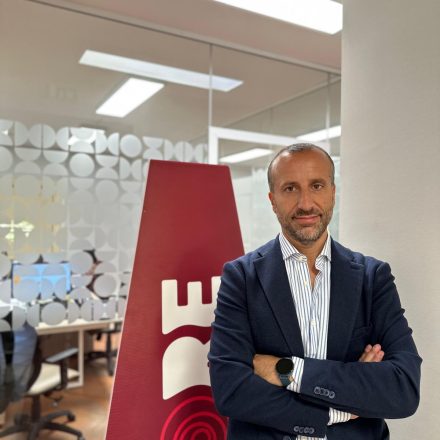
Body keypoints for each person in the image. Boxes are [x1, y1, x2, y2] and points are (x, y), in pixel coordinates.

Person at [208, 144, 421, 440]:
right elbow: (231, 390)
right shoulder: (241, 278)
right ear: (273, 200)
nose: (305, 203)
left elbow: (403, 388)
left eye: (317, 186)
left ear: (333, 192)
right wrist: (339, 409)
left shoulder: (373, 278)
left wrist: (286, 371)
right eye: (290, 188)